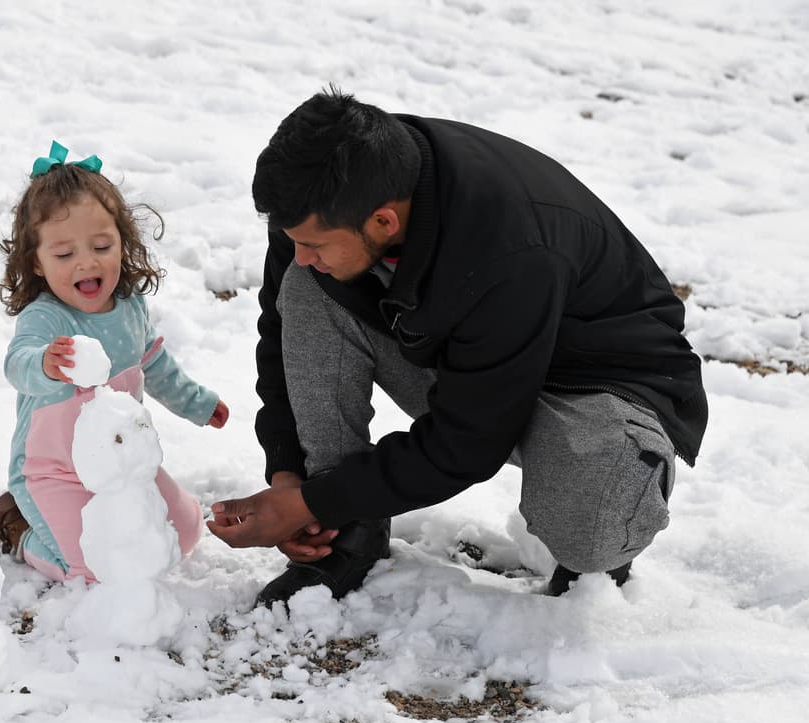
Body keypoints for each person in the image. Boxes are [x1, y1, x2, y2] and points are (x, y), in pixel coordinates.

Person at [206, 88, 708, 608]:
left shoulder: (506, 245)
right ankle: (346, 531)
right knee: (306, 290)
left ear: (384, 221)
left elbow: (469, 442)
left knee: (586, 531)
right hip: (474, 362)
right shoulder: (328, 193)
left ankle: (604, 531)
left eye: (314, 244)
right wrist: (297, 482)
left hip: (599, 386)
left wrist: (306, 503)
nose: (301, 254)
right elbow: (281, 330)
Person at [0, 141, 229, 583]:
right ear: (38, 264)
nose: (86, 262)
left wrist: (197, 403)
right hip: (56, 472)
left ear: (123, 243)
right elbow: (16, 365)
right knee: (94, 567)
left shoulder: (129, 306)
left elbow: (155, 364)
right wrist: (44, 363)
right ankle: (20, 529)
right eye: (64, 254)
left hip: (121, 464)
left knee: (183, 533)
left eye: (101, 245)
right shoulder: (46, 318)